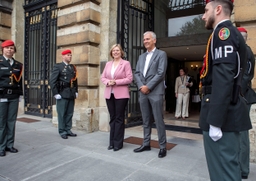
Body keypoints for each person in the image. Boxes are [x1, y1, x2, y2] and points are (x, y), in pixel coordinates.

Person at [199, 0, 252, 181]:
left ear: (218, 9)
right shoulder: (228, 34)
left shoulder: (223, 34)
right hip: (226, 112)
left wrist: (215, 121)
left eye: (206, 10)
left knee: (223, 173)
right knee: (228, 169)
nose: (203, 15)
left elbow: (223, 79)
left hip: (222, 115)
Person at [134, 31, 167, 158]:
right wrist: (142, 86)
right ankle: (146, 143)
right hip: (143, 92)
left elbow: (160, 73)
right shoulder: (141, 57)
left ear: (154, 40)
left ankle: (162, 146)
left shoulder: (161, 54)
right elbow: (136, 73)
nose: (145, 41)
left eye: (147, 39)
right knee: (146, 120)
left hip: (156, 92)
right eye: (144, 40)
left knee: (159, 120)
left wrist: (148, 86)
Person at [101, 44, 133, 151]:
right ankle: (111, 143)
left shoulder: (125, 63)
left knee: (119, 118)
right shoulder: (108, 64)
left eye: (117, 50)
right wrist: (108, 82)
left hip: (121, 94)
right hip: (109, 93)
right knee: (112, 118)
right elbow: (103, 77)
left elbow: (129, 78)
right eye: (114, 50)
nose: (115, 52)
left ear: (121, 52)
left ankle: (118, 144)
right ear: (111, 52)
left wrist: (116, 82)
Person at [238, 27, 256, 179]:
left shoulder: (245, 51)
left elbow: (246, 77)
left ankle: (243, 169)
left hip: (243, 97)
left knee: (242, 135)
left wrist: (237, 94)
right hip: (241, 96)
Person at [0, 40, 23, 157]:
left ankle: (10, 144)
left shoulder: (18, 65)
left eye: (12, 48)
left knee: (11, 121)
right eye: (7, 48)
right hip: (1, 96)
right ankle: (1, 146)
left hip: (14, 96)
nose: (10, 50)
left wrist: (20, 95)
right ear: (3, 49)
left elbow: (19, 82)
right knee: (1, 122)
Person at [50, 49, 78, 139]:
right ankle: (62, 131)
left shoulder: (72, 67)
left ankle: (68, 129)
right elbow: (52, 81)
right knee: (62, 113)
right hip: (62, 93)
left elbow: (75, 80)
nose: (69, 57)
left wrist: (76, 91)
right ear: (63, 56)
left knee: (69, 112)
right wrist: (55, 93)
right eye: (68, 55)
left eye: (70, 55)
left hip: (71, 93)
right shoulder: (58, 66)